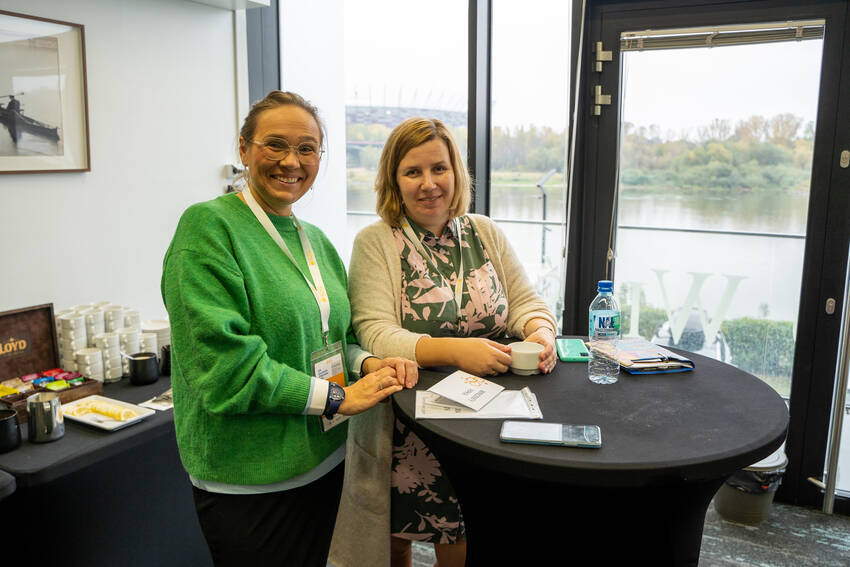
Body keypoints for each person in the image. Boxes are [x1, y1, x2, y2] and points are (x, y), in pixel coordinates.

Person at [161, 90, 417, 567]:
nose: (291, 161)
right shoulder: (208, 229)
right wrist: (339, 398)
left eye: (307, 149)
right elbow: (228, 372)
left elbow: (334, 339)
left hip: (325, 460)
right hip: (250, 479)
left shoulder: (314, 239)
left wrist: (367, 363)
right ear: (244, 149)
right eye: (275, 144)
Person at [330, 118, 557, 567]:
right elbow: (375, 332)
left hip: (486, 424)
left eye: (439, 168)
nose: (429, 183)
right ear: (394, 179)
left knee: (463, 539)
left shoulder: (485, 232)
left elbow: (525, 303)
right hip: (406, 428)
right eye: (413, 172)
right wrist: (455, 350)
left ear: (456, 173)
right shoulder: (376, 241)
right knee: (392, 543)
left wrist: (541, 332)